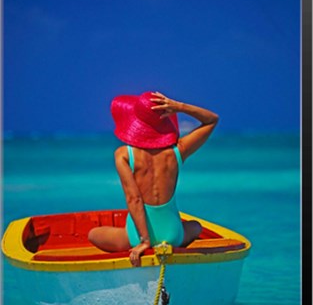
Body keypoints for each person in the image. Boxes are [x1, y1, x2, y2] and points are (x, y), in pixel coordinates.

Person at [88, 91, 219, 267]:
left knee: (94, 234)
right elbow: (212, 119)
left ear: (135, 122)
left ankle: (140, 239)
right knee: (196, 227)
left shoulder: (124, 155)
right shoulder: (178, 151)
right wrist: (179, 107)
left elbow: (134, 199)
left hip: (137, 235)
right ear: (165, 120)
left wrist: (144, 241)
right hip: (172, 234)